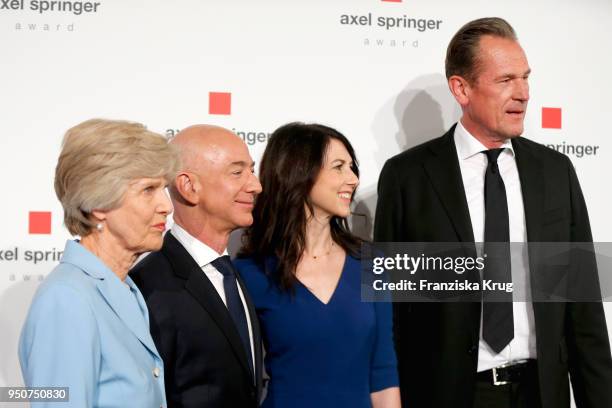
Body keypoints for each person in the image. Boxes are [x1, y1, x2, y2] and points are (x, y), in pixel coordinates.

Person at [374, 17, 612, 408]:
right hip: (448, 395)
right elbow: (391, 311)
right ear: (461, 88)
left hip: (540, 392)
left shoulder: (555, 172)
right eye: (505, 80)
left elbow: (583, 307)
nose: (523, 94)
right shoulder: (408, 176)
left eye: (525, 78)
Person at [235, 122, 400, 408]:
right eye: (338, 167)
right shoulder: (251, 273)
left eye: (352, 167)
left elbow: (383, 373)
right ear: (299, 173)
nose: (353, 179)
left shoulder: (370, 264)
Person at [19, 119, 179, 407]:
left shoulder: (123, 287)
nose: (166, 205)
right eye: (148, 190)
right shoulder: (67, 298)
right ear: (98, 205)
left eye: (164, 188)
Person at [130, 125, 263, 408]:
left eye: (251, 171)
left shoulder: (237, 272)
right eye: (238, 172)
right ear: (189, 187)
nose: (256, 185)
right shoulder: (146, 287)